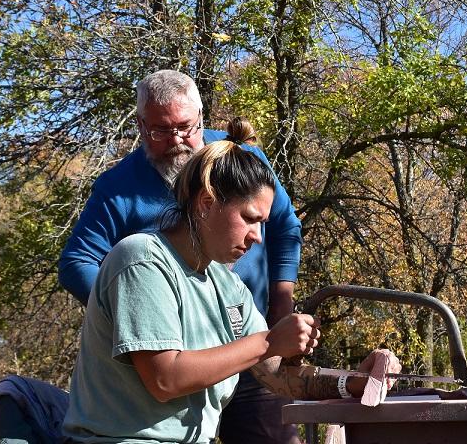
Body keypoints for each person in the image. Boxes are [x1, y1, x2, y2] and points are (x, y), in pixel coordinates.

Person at [62, 118, 400, 443]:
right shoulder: (142, 261)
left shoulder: (227, 285)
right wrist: (269, 341)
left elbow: (277, 375)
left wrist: (356, 382)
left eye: (262, 224)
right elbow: (165, 378)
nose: (258, 237)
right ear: (207, 203)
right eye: (250, 219)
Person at [59, 70, 303, 443]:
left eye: (186, 128)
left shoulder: (228, 277)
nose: (176, 141)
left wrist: (354, 383)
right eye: (160, 131)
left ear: (203, 119)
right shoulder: (134, 237)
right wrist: (134, 317)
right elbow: (165, 377)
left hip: (240, 334)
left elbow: (285, 230)